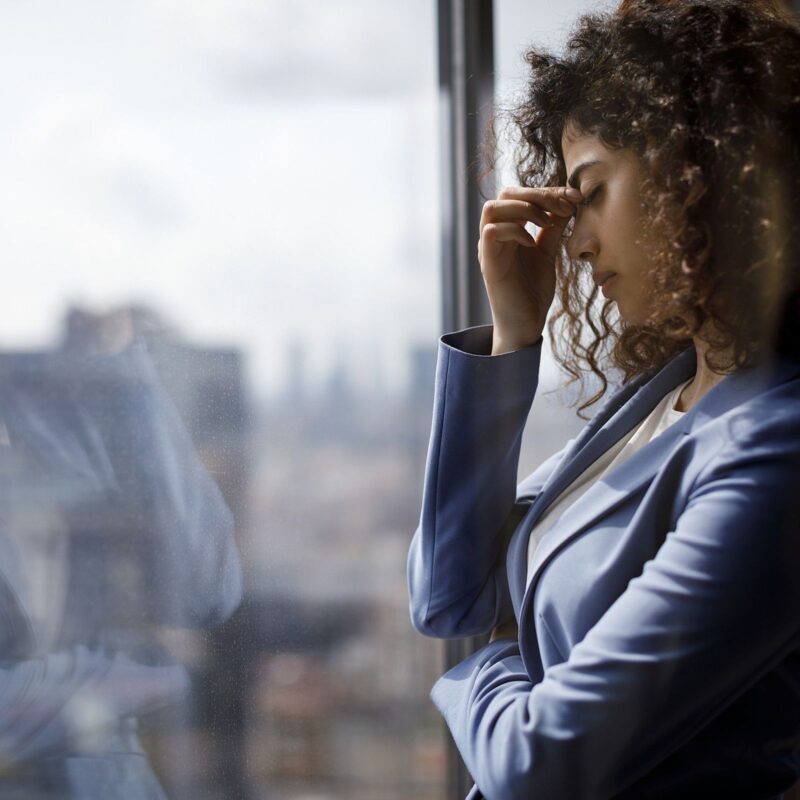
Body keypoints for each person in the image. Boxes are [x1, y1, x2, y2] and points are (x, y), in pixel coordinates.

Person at [407, 0, 800, 797]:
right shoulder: (663, 397)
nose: (578, 244)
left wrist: (471, 676)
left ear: (695, 175)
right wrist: (514, 339)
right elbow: (448, 595)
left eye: (592, 193)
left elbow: (537, 765)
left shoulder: (776, 444)